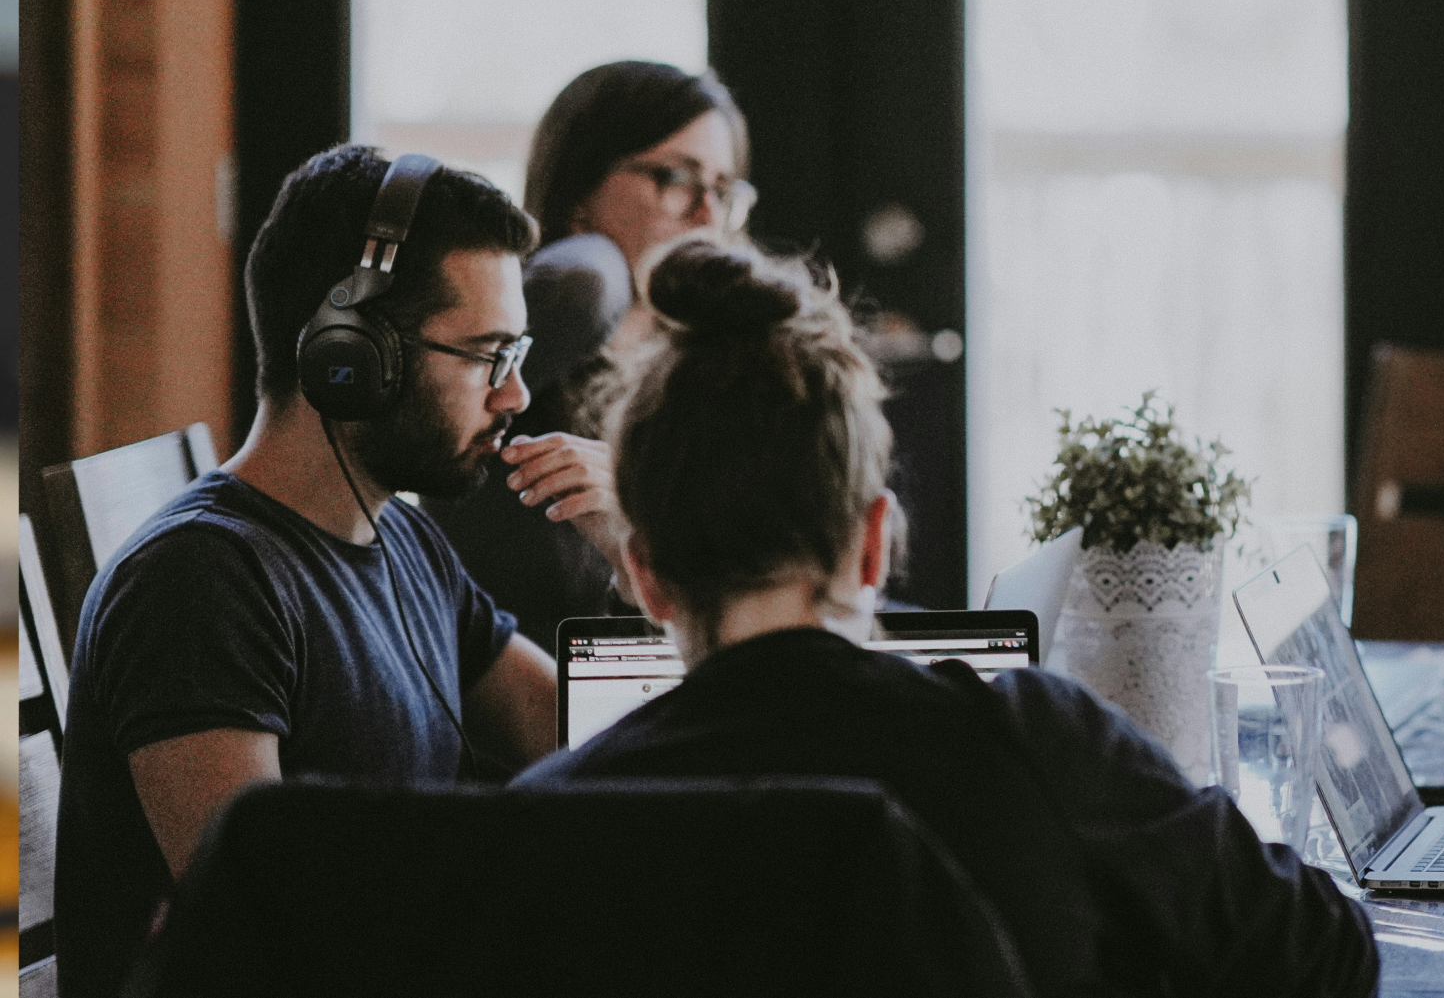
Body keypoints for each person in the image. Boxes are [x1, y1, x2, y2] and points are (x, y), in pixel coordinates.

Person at [514, 238, 1377, 996]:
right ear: (873, 543)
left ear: (646, 574)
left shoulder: (547, 823)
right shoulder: (1036, 744)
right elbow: (1327, 957)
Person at [57, 146, 591, 996]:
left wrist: (643, 544)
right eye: (489, 354)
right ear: (349, 355)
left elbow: (581, 732)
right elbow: (263, 934)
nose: (515, 394)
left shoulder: (404, 542)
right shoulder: (200, 583)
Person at [423, 61, 754, 653]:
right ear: (580, 188)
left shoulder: (714, 360)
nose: (708, 215)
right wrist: (596, 257)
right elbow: (580, 279)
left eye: (724, 191)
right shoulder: (543, 330)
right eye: (676, 177)